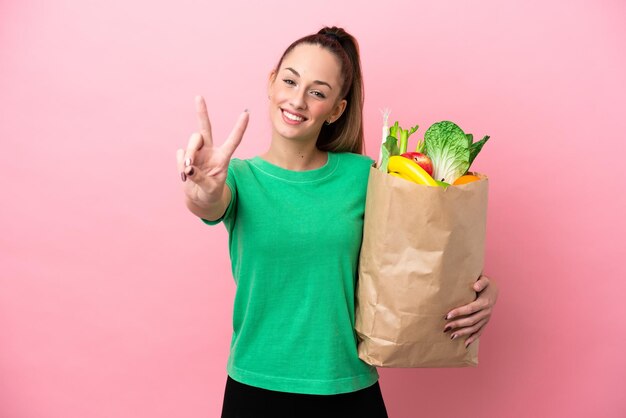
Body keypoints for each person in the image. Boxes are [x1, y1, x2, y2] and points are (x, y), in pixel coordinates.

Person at [176, 26, 499, 418]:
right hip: (254, 391)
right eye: (291, 81)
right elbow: (208, 203)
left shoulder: (367, 177)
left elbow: (419, 258)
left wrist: (481, 294)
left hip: (349, 391)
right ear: (272, 82)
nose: (298, 99)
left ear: (336, 109)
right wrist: (203, 189)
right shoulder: (239, 178)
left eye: (317, 91)